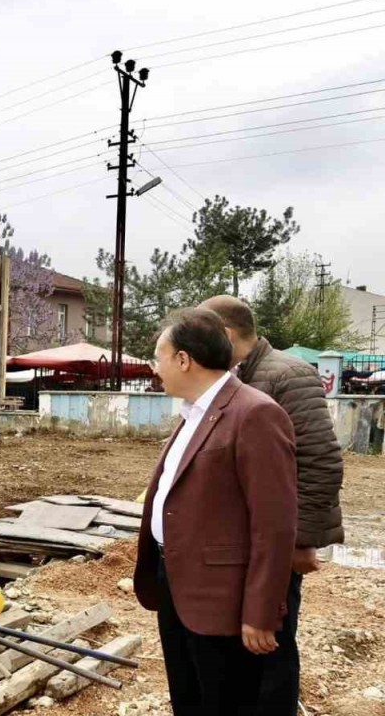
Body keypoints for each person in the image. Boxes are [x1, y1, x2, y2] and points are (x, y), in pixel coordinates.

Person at [133, 308, 298, 715]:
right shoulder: (194, 413)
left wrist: (261, 613)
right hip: (175, 583)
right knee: (188, 698)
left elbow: (273, 526)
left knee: (225, 702)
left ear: (184, 359)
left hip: (222, 600)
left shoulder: (254, 413)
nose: (156, 368)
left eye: (160, 356)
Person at [201, 295, 343, 713]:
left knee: (271, 640)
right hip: (242, 541)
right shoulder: (234, 376)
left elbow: (320, 461)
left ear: (225, 335)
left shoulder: (288, 374)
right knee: (245, 637)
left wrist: (300, 542)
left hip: (275, 541)